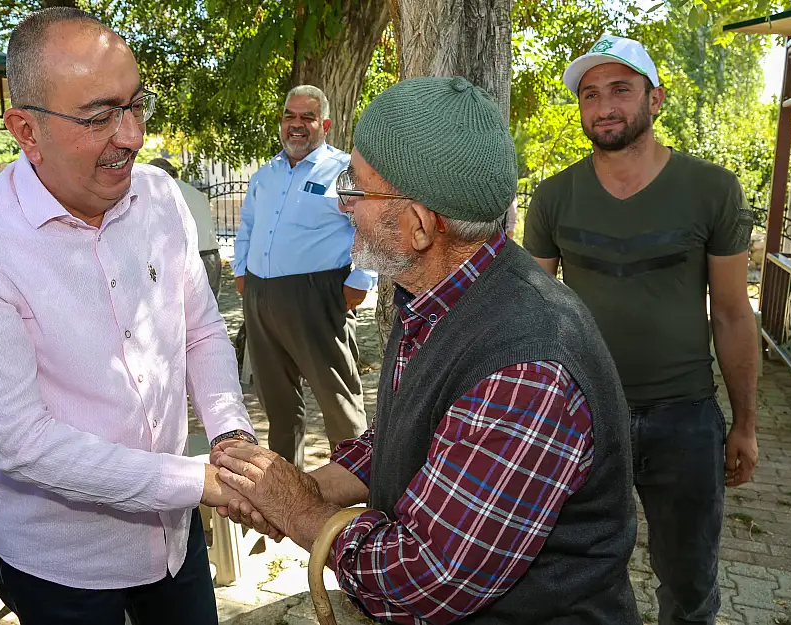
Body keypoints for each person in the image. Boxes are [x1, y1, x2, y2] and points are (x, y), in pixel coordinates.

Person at [212, 76, 641, 624]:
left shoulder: (527, 367)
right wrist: (289, 490)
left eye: (358, 190)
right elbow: (404, 440)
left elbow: (422, 579)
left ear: (416, 225)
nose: (344, 207)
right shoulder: (437, 296)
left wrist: (298, 509)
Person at [0, 9, 256, 625]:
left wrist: (231, 440)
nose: (130, 136)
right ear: (26, 129)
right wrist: (201, 484)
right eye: (99, 117)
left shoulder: (160, 197)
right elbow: (22, 441)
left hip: (175, 537)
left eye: (135, 105)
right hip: (60, 565)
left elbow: (201, 329)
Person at [523, 34, 759, 625]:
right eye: (591, 95)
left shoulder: (712, 190)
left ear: (654, 100)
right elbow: (532, 316)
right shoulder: (553, 198)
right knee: (569, 577)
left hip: (685, 418)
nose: (604, 106)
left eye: (621, 90)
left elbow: (732, 314)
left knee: (689, 585)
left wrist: (746, 424)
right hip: (583, 416)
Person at [233, 85, 373, 468]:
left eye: (307, 117)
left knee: (338, 401)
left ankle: (358, 494)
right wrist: (241, 271)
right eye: (289, 116)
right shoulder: (266, 174)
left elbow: (373, 225)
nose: (296, 125)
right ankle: (286, 494)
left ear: (324, 124)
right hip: (261, 297)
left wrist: (361, 280)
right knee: (277, 403)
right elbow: (248, 225)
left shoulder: (343, 171)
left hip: (319, 296)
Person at [149, 157, 222, 298]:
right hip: (212, 257)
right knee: (211, 313)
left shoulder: (162, 194)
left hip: (187, 260)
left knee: (184, 315)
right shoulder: (197, 193)